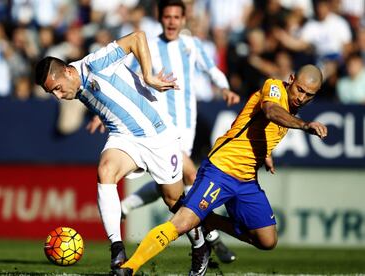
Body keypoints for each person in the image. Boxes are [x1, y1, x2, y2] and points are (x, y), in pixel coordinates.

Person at [112, 64, 328, 276]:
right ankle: (129, 267)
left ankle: (208, 221)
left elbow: (258, 125)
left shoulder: (292, 108)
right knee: (182, 223)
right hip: (221, 169)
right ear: (291, 79)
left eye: (309, 95)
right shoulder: (274, 88)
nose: (301, 98)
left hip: (246, 180)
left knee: (267, 240)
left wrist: (266, 154)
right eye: (300, 90)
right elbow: (271, 112)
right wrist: (304, 125)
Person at [34, 30, 185, 270]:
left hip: (157, 134)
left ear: (69, 72)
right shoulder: (76, 87)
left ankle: (201, 244)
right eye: (53, 93)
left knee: (174, 200)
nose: (59, 96)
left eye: (58, 89)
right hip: (124, 136)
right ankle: (117, 248)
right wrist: (100, 115)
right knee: (105, 171)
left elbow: (137, 37)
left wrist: (148, 76)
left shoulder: (94, 64)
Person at [116, 0, 240, 270]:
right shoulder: (148, 47)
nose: (172, 21)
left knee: (169, 186)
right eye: (167, 16)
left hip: (187, 128)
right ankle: (212, 237)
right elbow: (131, 82)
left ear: (184, 20)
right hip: (160, 127)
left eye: (176, 17)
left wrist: (225, 88)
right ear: (160, 18)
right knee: (191, 176)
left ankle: (126, 207)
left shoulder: (192, 45)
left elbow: (212, 70)